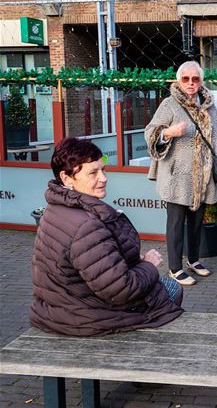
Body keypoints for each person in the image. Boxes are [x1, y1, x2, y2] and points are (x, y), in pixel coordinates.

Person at [30, 138, 183, 336]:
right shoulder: (86, 226)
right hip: (86, 317)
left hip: (59, 308)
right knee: (172, 288)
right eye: (93, 173)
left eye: (103, 170)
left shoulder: (56, 207)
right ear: (67, 179)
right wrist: (149, 265)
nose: (103, 178)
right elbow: (121, 290)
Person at [145, 61, 217, 286]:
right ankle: (174, 268)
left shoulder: (208, 105)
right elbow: (150, 132)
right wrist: (169, 132)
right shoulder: (169, 105)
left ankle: (193, 260)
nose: (191, 83)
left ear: (201, 81)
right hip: (177, 176)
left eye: (195, 79)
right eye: (186, 79)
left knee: (196, 222)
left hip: (203, 176)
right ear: (178, 80)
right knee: (175, 224)